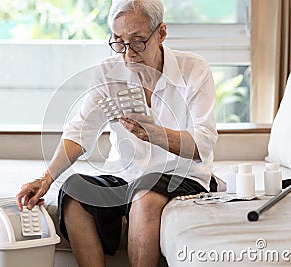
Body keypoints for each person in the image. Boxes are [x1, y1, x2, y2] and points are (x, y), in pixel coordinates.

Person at [16, 0, 218, 266]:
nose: (128, 53)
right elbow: (81, 130)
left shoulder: (194, 69)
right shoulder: (109, 72)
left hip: (181, 176)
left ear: (161, 33)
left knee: (145, 196)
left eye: (137, 41)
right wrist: (46, 178)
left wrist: (155, 134)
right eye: (119, 41)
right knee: (75, 192)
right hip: (127, 176)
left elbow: (202, 144)